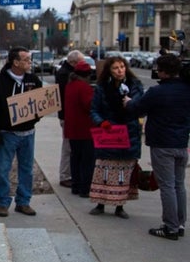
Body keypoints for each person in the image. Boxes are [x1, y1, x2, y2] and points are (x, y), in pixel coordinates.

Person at [124, 54, 190, 240]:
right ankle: (180, 223)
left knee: (167, 186)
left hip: (162, 144)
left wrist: (128, 102)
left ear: (162, 71)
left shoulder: (156, 92)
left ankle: (170, 227)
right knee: (179, 185)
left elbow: (137, 108)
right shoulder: (187, 89)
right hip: (181, 143)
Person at [0, 47, 43, 217]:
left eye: (30, 59)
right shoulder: (0, 81)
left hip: (28, 133)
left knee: (27, 169)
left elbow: (40, 103)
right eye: (26, 59)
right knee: (3, 169)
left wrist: (35, 117)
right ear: (15, 62)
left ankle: (23, 202)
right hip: (7, 133)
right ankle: (3, 202)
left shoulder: (33, 80)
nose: (29, 62)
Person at [88, 56, 143, 219]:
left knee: (123, 173)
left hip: (128, 132)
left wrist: (131, 103)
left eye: (122, 67)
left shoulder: (135, 85)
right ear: (109, 71)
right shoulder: (102, 87)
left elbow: (140, 106)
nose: (120, 70)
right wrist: (101, 122)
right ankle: (100, 203)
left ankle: (120, 206)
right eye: (115, 68)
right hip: (108, 133)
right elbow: (94, 110)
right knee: (104, 169)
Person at [63, 61, 95, 197]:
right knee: (87, 161)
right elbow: (89, 106)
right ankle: (85, 188)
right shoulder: (85, 88)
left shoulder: (70, 86)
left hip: (72, 129)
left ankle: (75, 185)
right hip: (85, 130)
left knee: (75, 158)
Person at [55, 50, 83, 188]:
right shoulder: (65, 75)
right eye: (81, 62)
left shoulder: (66, 72)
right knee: (68, 147)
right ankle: (65, 175)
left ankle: (70, 174)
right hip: (68, 115)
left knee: (71, 146)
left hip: (69, 115)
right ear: (73, 62)